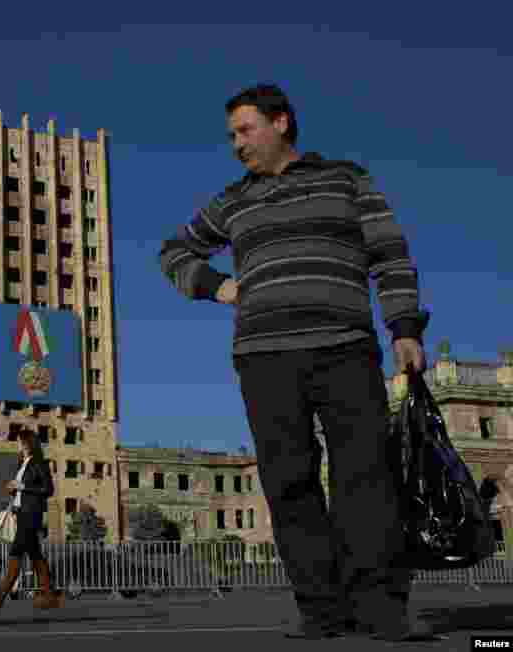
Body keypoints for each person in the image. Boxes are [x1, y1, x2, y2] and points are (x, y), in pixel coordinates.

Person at [158, 84, 437, 642]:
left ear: (280, 122)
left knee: (367, 477)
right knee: (289, 482)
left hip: (346, 347)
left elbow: (390, 254)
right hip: (263, 358)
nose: (236, 144)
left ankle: (380, 606)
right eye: (232, 135)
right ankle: (321, 609)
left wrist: (404, 327)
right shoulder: (232, 201)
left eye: (245, 130)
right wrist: (215, 287)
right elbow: (174, 250)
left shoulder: (345, 179)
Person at [0, 429, 63, 609]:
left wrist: (22, 486)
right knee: (35, 555)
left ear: (28, 443)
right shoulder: (24, 463)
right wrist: (14, 491)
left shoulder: (38, 462)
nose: (17, 444)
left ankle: (0, 594)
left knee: (16, 550)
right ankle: (49, 595)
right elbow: (24, 489)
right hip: (21, 512)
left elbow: (48, 489)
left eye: (19, 441)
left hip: (32, 514)